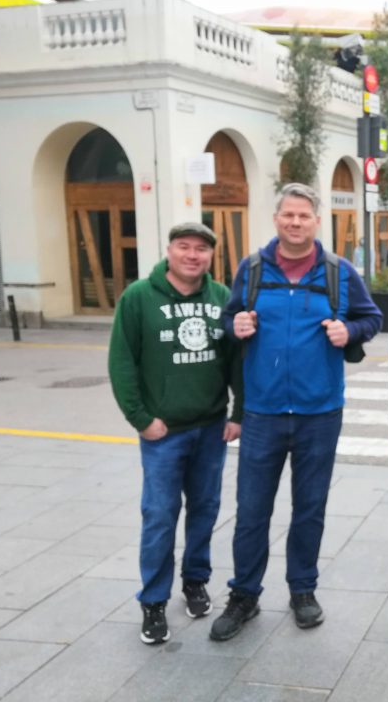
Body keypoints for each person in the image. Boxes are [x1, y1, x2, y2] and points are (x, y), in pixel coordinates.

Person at [211, 183, 382, 641]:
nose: (295, 223)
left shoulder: (339, 272)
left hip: (319, 412)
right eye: (288, 215)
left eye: (303, 216)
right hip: (263, 413)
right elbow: (229, 320)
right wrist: (236, 324)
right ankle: (244, 595)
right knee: (251, 511)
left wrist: (351, 331)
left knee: (309, 509)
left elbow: (373, 318)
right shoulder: (250, 271)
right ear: (276, 220)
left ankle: (302, 590)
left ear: (316, 222)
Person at [108, 221, 243, 646]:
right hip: (163, 433)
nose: (192, 255)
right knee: (160, 516)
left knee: (204, 509)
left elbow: (237, 357)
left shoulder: (221, 297)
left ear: (210, 256)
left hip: (210, 427)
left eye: (201, 249)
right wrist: (141, 418)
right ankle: (153, 602)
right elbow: (122, 362)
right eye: (184, 247)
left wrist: (237, 411)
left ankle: (195, 581)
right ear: (169, 250)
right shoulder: (138, 298)